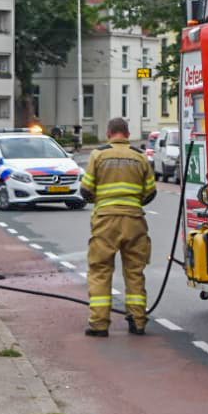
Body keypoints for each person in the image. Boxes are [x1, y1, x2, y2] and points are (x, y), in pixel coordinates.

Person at [80, 117, 157, 337]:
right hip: (134, 221)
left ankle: (99, 324)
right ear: (128, 134)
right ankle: (138, 322)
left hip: (105, 221)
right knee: (134, 272)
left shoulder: (98, 155)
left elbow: (85, 190)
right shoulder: (140, 156)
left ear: (108, 134)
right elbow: (150, 192)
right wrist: (132, 203)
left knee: (100, 270)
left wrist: (101, 201)